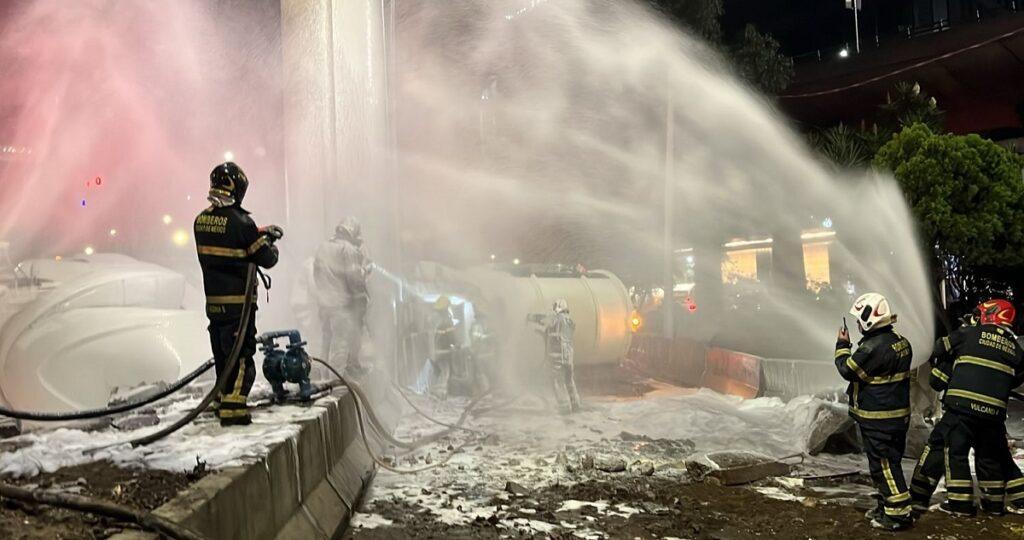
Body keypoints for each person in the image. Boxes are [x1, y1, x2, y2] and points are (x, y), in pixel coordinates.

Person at [912, 299, 1024, 517]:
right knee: (991, 457)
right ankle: (993, 506)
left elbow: (937, 350)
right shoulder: (1015, 349)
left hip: (960, 409)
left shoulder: (968, 335)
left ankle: (957, 504)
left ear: (990, 314)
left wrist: (958, 337)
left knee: (952, 452)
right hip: (993, 415)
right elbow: (1016, 378)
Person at [194, 162, 280, 426]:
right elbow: (266, 258)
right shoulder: (242, 223)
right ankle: (234, 408)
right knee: (241, 354)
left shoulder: (201, 220)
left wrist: (257, 233)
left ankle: (221, 397)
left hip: (214, 304)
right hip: (238, 305)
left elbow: (231, 239)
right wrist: (268, 240)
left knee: (222, 353)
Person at [835, 292, 914, 531]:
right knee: (891, 463)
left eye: (860, 319)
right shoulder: (901, 341)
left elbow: (848, 369)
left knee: (884, 465)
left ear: (870, 319)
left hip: (878, 418)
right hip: (897, 416)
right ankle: (886, 506)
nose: (858, 324)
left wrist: (842, 345)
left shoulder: (871, 348)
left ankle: (898, 515)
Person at [313, 217, 373, 378]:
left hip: (324, 304)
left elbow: (316, 275)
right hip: (341, 305)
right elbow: (354, 279)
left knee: (326, 341)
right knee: (340, 343)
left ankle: (322, 379)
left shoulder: (323, 247)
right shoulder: (348, 250)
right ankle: (336, 381)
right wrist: (365, 270)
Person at [541, 299, 581, 415]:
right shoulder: (569, 321)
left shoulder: (556, 319)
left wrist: (530, 317)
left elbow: (543, 320)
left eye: (555, 307)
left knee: (556, 381)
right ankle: (575, 404)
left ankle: (564, 407)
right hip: (568, 357)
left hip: (556, 356)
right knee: (569, 380)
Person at [430, 296, 458, 400]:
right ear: (446, 308)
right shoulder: (446, 321)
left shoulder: (436, 320)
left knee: (440, 372)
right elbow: (452, 337)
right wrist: (456, 344)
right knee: (445, 372)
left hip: (436, 352)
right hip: (443, 352)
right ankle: (438, 393)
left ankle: (439, 393)